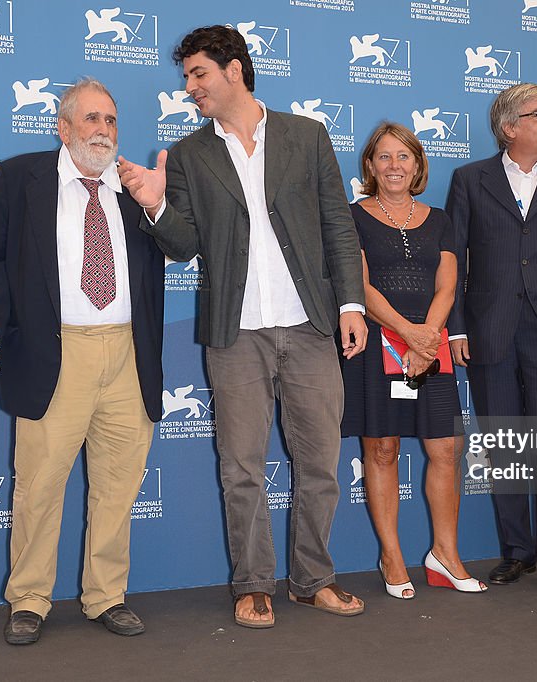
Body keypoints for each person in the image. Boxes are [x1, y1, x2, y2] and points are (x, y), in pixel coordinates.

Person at [117, 25, 367, 628]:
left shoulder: (305, 136)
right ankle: (252, 583)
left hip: (309, 325)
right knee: (241, 466)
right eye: (186, 78)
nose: (190, 87)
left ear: (235, 70)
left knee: (320, 465)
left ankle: (314, 579)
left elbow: (337, 223)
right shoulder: (191, 154)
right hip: (235, 333)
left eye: (198, 74)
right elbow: (184, 245)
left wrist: (351, 305)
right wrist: (154, 204)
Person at [0, 78, 166, 644]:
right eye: (92, 119)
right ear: (63, 126)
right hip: (56, 352)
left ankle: (107, 596)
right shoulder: (20, 178)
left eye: (111, 120)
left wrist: (159, 204)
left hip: (128, 352)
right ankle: (29, 598)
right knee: (41, 484)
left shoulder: (137, 188)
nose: (103, 130)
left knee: (118, 485)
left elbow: (181, 247)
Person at [446, 83, 537, 596]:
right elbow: (455, 262)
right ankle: (517, 552)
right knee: (505, 445)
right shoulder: (469, 180)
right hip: (490, 331)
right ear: (510, 127)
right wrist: (459, 327)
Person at [342, 122, 484, 599]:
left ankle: (445, 555)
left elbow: (448, 285)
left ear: (418, 164)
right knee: (381, 450)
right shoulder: (352, 217)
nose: (394, 166)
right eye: (384, 157)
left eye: (403, 157)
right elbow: (359, 286)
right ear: (370, 166)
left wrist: (428, 340)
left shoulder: (440, 219)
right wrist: (407, 334)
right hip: (378, 346)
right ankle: (392, 556)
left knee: (446, 450)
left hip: (431, 345)